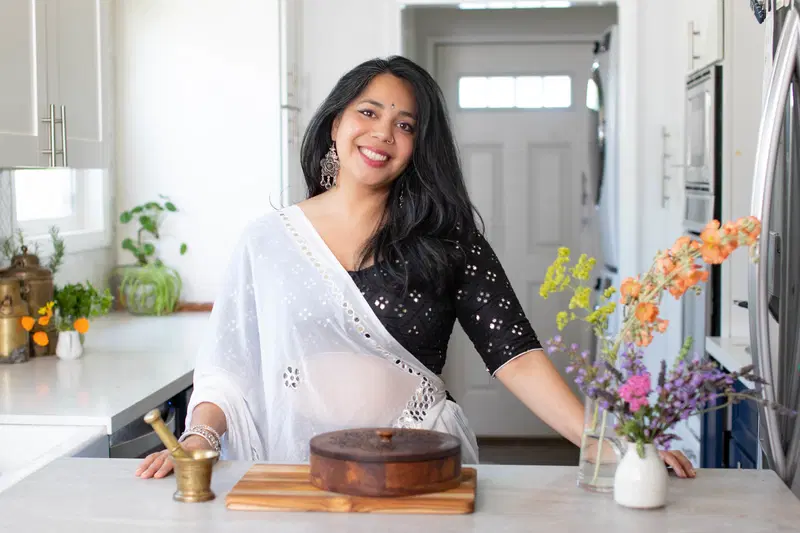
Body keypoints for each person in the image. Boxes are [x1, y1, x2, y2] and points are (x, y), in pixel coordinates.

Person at [136, 56, 695, 480]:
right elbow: (230, 366)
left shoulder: (449, 242)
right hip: (298, 466)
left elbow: (517, 358)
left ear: (418, 148)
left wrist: (610, 443)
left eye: (405, 125)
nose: (383, 132)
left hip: (418, 463)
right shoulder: (269, 240)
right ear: (335, 124)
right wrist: (199, 437)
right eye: (369, 112)